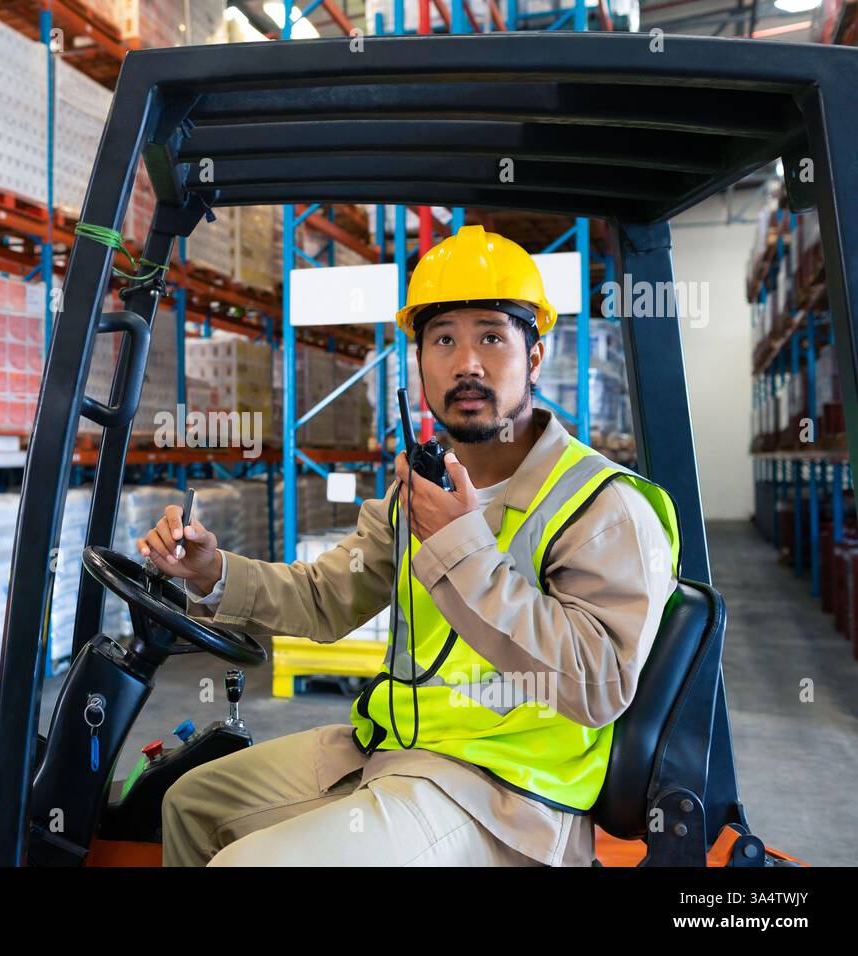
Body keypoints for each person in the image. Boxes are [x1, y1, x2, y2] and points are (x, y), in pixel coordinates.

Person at [137, 225, 680, 867]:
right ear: (418, 360)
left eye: (492, 337)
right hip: (393, 750)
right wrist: (213, 572)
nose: (467, 362)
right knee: (189, 801)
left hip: (507, 798)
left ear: (534, 357)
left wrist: (462, 547)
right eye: (444, 338)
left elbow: (597, 684)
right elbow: (327, 598)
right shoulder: (417, 489)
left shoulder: (604, 507)